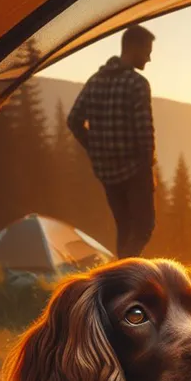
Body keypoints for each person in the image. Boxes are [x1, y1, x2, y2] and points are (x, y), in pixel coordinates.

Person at [67, 24, 156, 259]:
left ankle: (123, 279)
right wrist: (148, 170)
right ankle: (126, 271)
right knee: (144, 227)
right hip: (134, 171)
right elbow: (144, 132)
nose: (149, 57)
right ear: (133, 47)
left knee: (125, 228)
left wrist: (95, 149)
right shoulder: (137, 84)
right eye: (146, 50)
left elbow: (73, 120)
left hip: (107, 173)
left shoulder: (95, 81)